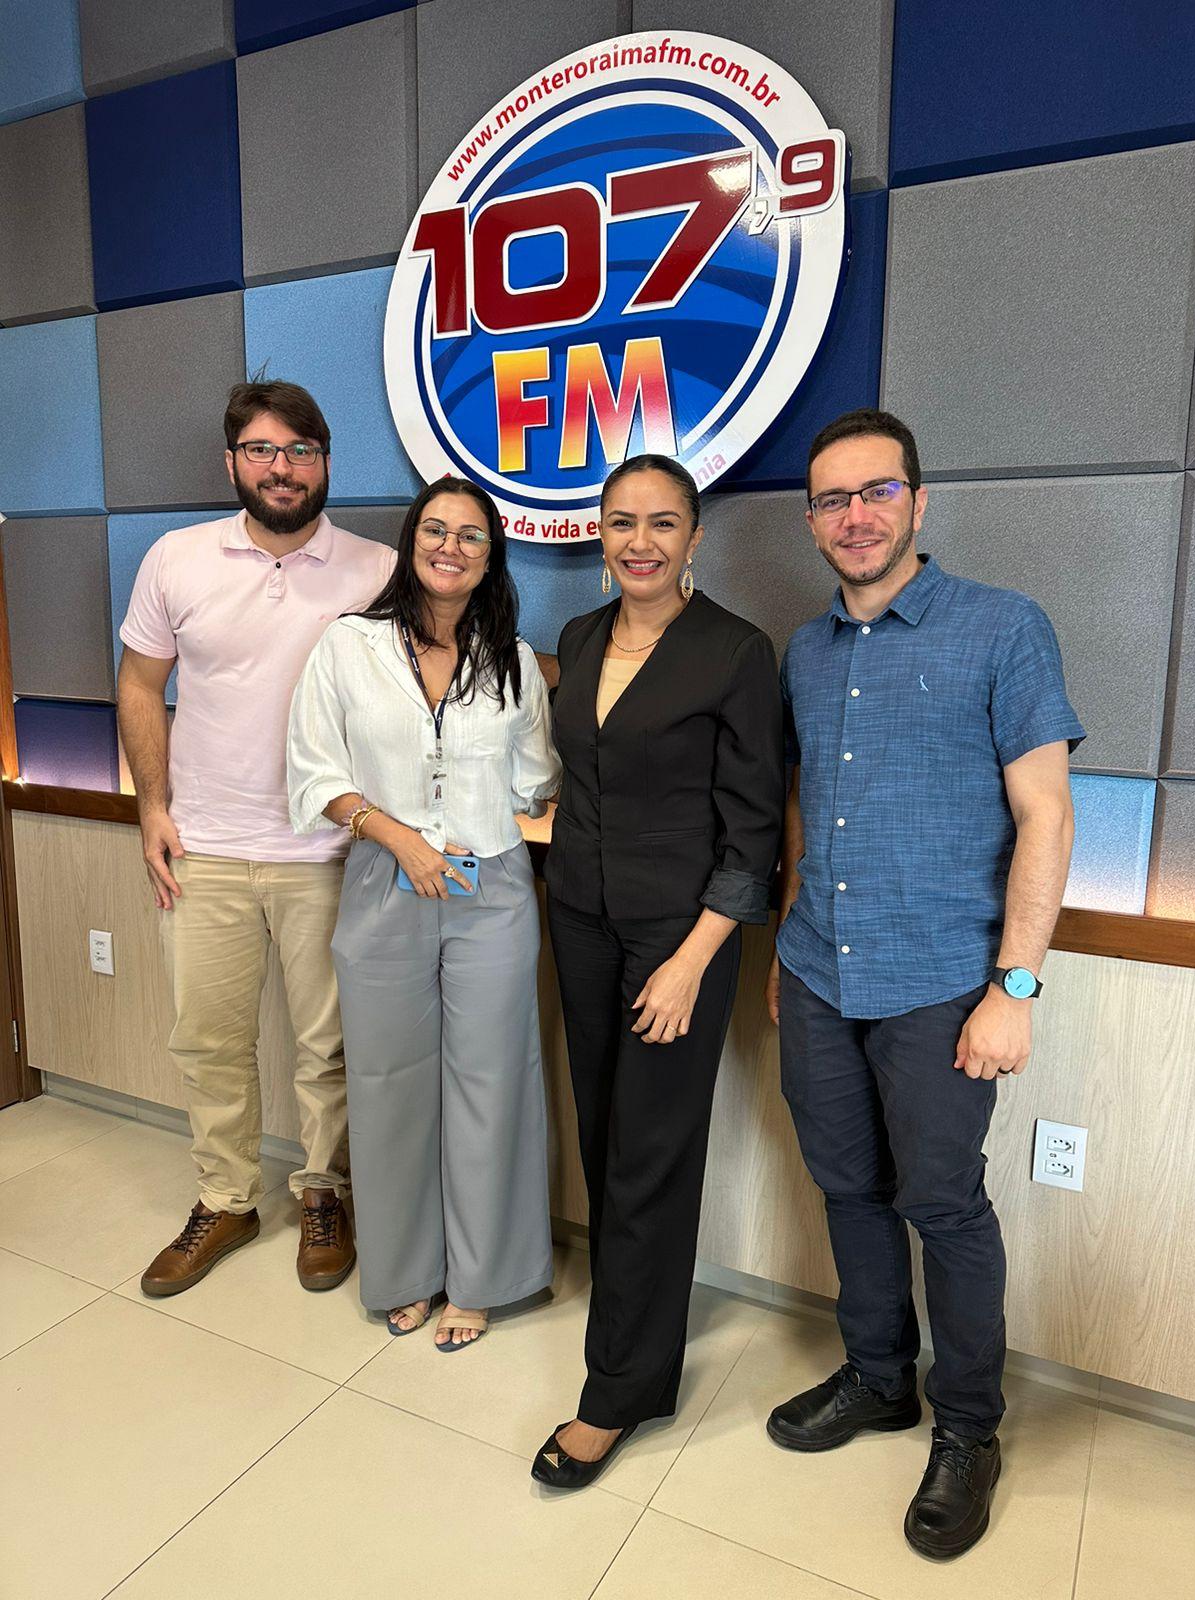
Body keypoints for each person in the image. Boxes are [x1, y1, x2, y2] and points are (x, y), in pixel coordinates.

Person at [764, 408, 1083, 1559]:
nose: (855, 516)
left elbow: (1046, 814)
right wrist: (791, 939)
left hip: (945, 984)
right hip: (816, 972)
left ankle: (968, 1428)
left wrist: (1018, 987)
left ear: (918, 500)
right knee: (846, 1185)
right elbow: (805, 808)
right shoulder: (806, 650)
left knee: (942, 1204)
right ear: (812, 520)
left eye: (876, 492)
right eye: (832, 500)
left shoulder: (1004, 629)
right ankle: (878, 1376)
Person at [531, 454, 783, 1487]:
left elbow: (753, 832)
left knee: (650, 1154)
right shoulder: (582, 639)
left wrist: (689, 962)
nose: (641, 540)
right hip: (580, 923)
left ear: (695, 537)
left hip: (679, 939)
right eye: (623, 520)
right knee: (602, 1133)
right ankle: (641, 1325)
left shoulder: (734, 651)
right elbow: (577, 785)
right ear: (600, 530)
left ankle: (616, 1393)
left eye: (664, 523)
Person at [120, 379, 394, 1297]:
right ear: (231, 462)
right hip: (204, 851)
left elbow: (432, 683)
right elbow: (138, 683)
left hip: (328, 854)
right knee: (208, 1039)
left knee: (330, 1047)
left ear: (325, 463)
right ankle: (227, 1198)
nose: (282, 469)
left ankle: (324, 1192)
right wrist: (153, 807)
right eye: (263, 451)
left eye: (301, 451)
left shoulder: (375, 570)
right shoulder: (175, 558)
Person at [286, 478, 560, 1348]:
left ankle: (482, 1280)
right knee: (388, 1083)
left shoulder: (513, 659)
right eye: (435, 530)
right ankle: (406, 1271)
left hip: (493, 892)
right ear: (412, 543)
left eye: (472, 536)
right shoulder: (348, 648)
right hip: (382, 884)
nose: (451, 547)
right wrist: (399, 835)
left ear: (491, 555)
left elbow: (537, 777)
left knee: (492, 1084)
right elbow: (315, 773)